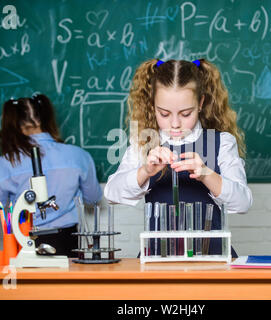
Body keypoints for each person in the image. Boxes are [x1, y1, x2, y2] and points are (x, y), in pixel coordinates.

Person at [104, 59, 253, 257]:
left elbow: (243, 203)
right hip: (157, 258)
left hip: (213, 258)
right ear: (153, 105)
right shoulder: (144, 142)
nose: (175, 123)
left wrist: (207, 174)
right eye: (164, 113)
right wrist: (145, 171)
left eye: (185, 113)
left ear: (200, 103)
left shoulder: (221, 142)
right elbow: (111, 193)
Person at [0, 94, 102, 258]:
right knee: (68, 283)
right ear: (47, 117)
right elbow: (93, 198)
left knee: (28, 284)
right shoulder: (78, 156)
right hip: (68, 240)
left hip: (23, 240)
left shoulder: (5, 164)